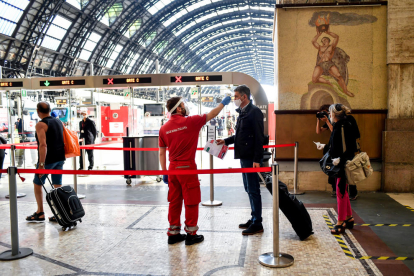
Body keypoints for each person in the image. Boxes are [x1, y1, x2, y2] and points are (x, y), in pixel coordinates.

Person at [159, 95, 231, 245]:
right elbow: (212, 114)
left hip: (172, 169)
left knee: (174, 201)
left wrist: (164, 172)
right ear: (179, 108)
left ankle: (173, 234)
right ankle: (191, 234)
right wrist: (223, 104)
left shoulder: (164, 128)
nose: (186, 107)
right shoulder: (191, 122)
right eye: (183, 105)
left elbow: (161, 152)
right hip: (187, 167)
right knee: (191, 200)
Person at [217, 85, 265, 235]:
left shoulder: (254, 112)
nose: (234, 99)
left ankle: (257, 223)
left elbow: (259, 137)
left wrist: (257, 158)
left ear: (244, 97)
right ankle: (254, 217)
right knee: (248, 188)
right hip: (244, 156)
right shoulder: (243, 112)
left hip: (251, 157)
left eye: (236, 96)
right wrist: (225, 141)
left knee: (253, 189)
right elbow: (240, 136)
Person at [26, 102, 66, 222]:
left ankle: (40, 212)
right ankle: (59, 212)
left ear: (38, 111)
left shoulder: (41, 124)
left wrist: (42, 165)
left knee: (37, 183)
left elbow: (43, 145)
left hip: (48, 160)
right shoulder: (58, 121)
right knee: (57, 185)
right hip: (60, 158)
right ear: (49, 110)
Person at [327, 104, 357, 234]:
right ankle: (349, 217)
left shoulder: (341, 127)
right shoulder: (345, 124)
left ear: (334, 115)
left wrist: (339, 159)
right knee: (343, 189)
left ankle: (340, 222)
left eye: (329, 113)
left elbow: (347, 147)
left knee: (340, 191)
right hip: (343, 161)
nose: (329, 115)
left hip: (342, 163)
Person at [311, 27, 354, 97]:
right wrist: (318, 34)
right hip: (321, 65)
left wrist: (328, 32)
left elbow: (336, 37)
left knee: (339, 77)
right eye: (322, 41)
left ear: (328, 41)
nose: (323, 42)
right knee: (314, 80)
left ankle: (346, 91)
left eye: (324, 40)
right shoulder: (320, 48)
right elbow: (313, 41)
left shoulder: (332, 47)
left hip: (329, 64)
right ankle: (327, 82)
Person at [316, 104, 336, 197]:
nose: (324, 114)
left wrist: (328, 120)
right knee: (331, 167)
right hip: (331, 147)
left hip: (338, 147)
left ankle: (340, 190)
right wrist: (318, 120)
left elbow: (334, 131)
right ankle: (334, 189)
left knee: (338, 169)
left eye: (325, 112)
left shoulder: (335, 120)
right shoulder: (328, 121)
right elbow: (318, 132)